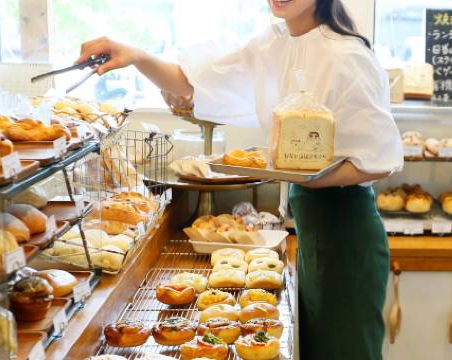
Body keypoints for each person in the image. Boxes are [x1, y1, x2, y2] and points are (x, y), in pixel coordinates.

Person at [77, 0, 403, 358]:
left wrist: (303, 177)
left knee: (344, 351)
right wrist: (135, 55)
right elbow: (189, 82)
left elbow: (378, 162)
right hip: (313, 231)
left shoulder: (347, 55)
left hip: (347, 234)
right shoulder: (274, 43)